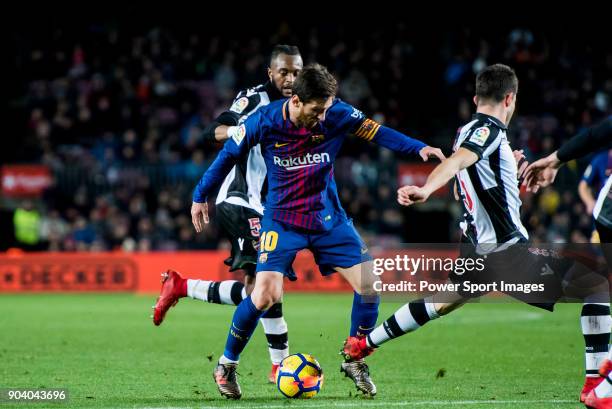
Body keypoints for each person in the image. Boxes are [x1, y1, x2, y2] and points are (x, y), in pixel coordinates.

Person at [340, 65, 610, 405]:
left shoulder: (465, 130)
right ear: (510, 98)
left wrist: (506, 167)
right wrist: (425, 189)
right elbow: (457, 165)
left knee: (441, 302)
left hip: (478, 250)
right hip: (505, 252)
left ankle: (362, 346)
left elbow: (464, 185)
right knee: (596, 286)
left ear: (475, 97)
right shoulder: (487, 129)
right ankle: (595, 387)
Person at [191, 63, 445, 399]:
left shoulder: (336, 112)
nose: (324, 118)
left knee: (370, 284)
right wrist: (199, 196)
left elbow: (376, 132)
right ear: (295, 101)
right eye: (317, 111)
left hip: (328, 220)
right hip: (281, 220)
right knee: (265, 294)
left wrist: (417, 148)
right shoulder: (262, 120)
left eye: (327, 110)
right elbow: (225, 156)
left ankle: (355, 357)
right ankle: (226, 365)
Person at [152, 45, 303, 382]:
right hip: (237, 199)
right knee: (265, 283)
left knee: (261, 290)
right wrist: (241, 132)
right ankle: (278, 364)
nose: (290, 79)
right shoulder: (254, 99)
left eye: (296, 72)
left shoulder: (301, 105)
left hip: (263, 206)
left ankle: (181, 287)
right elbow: (214, 131)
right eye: (284, 72)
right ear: (270, 73)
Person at [524, 116, 612, 408]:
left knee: (598, 286)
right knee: (596, 285)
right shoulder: (599, 162)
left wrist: (555, 159)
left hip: (606, 210)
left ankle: (601, 381)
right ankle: (605, 388)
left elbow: (597, 132)